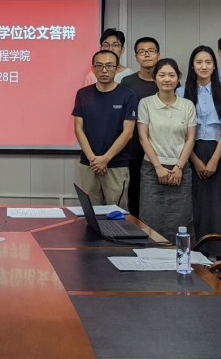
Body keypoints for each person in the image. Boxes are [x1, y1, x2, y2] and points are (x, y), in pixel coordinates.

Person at [137, 58, 198, 240]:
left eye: (171, 75)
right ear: (155, 78)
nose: (167, 79)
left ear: (178, 78)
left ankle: (179, 262)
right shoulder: (146, 103)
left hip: (181, 171)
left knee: (181, 220)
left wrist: (179, 167)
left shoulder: (187, 105)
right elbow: (143, 137)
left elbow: (190, 138)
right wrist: (158, 167)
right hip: (152, 170)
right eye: (162, 75)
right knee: (150, 218)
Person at [182, 45, 221, 258]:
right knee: (195, 205)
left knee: (218, 205)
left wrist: (213, 160)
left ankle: (216, 255)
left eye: (208, 62)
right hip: (189, 152)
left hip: (218, 151)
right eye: (199, 62)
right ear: (192, 66)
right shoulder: (181, 92)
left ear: (214, 66)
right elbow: (182, 132)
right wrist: (194, 159)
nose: (203, 66)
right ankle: (195, 253)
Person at [73, 49, 138, 207]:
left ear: (116, 68)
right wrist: (93, 160)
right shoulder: (83, 94)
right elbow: (78, 128)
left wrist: (105, 159)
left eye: (109, 66)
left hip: (116, 164)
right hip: (89, 164)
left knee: (117, 215)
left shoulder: (127, 95)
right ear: (93, 69)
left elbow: (128, 132)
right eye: (99, 66)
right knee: (89, 213)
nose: (104, 70)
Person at [119, 36, 161, 215]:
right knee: (134, 196)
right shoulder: (127, 82)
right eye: (142, 52)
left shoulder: (166, 81)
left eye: (151, 51)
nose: (147, 55)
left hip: (160, 149)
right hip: (134, 149)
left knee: (156, 198)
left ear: (158, 55)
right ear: (136, 57)